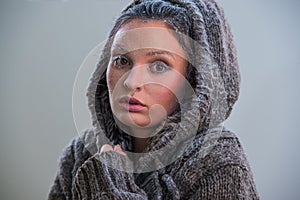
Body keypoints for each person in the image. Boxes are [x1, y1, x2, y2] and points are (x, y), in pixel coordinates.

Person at [48, 0, 259, 199]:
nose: (131, 82)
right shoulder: (81, 153)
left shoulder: (217, 160)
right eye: (121, 61)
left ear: (195, 81)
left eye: (159, 65)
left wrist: (105, 189)